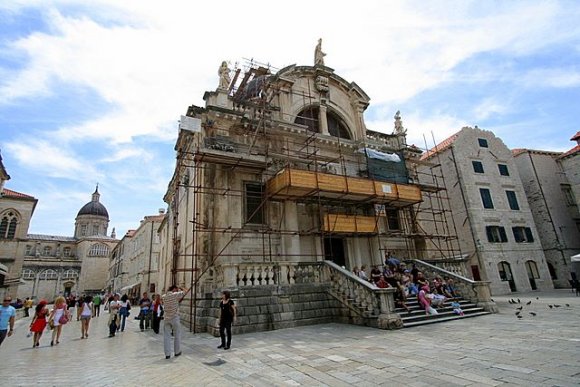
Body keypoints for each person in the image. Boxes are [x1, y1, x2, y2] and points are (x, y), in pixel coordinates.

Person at [162, 285, 189, 359]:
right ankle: (177, 352)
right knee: (177, 335)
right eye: (176, 290)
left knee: (166, 337)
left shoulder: (164, 296)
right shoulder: (175, 295)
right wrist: (182, 287)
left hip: (166, 318)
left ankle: (167, 354)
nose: (177, 291)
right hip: (174, 317)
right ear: (174, 290)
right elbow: (186, 291)